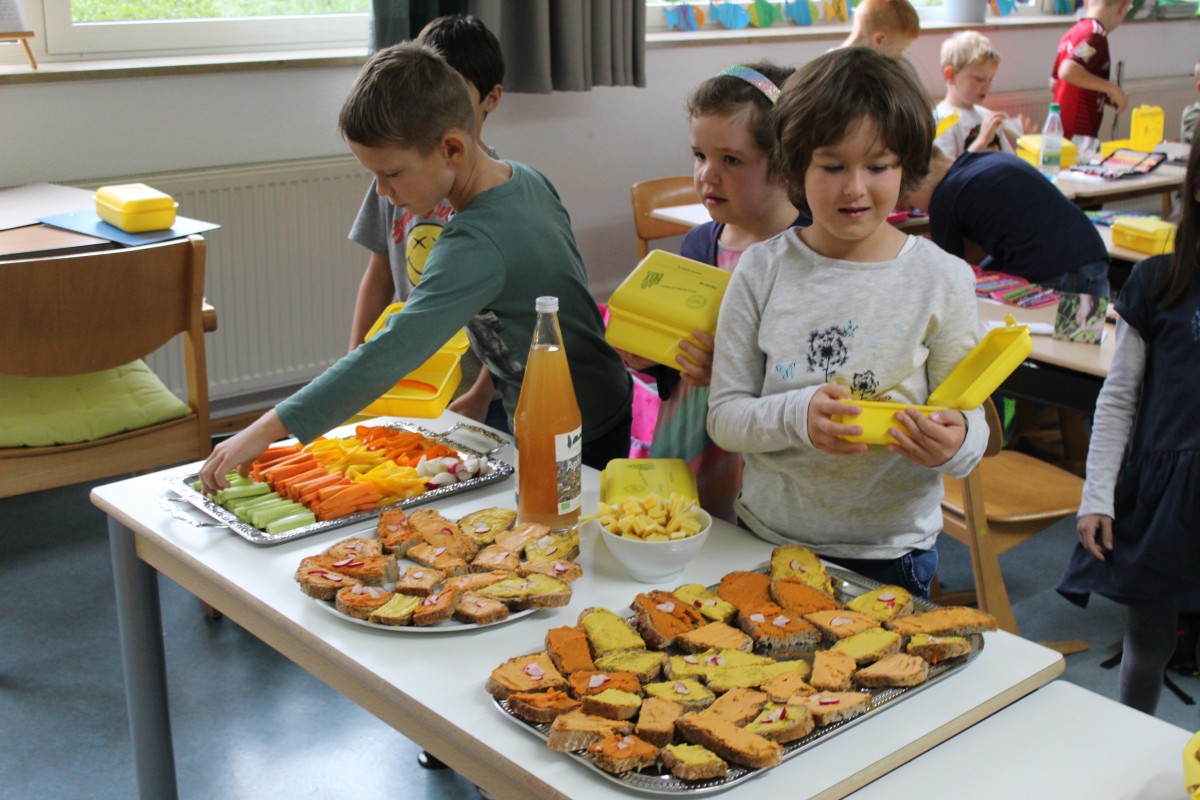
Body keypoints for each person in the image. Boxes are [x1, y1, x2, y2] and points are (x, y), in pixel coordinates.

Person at [199, 42, 633, 495]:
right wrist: (485, 390)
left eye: (392, 173)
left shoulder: (473, 243)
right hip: (596, 397)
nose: (382, 191)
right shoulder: (524, 177)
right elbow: (528, 308)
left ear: (451, 149)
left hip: (575, 424)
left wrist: (266, 428)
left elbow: (392, 349)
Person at [706, 47, 988, 599]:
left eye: (877, 166)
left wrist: (954, 444)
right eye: (832, 166)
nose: (855, 187)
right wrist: (798, 415)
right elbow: (726, 417)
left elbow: (968, 418)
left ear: (904, 165)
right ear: (794, 168)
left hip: (892, 554)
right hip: (769, 542)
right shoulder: (761, 271)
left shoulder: (943, 278)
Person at [618, 63, 809, 523]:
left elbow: (809, 370)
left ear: (784, 162)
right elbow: (674, 352)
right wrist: (648, 356)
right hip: (688, 442)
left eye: (731, 160)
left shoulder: (809, 253)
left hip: (759, 454)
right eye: (700, 155)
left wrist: (727, 369)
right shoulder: (699, 243)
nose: (707, 175)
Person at [1056, 135, 1200, 715]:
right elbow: (1117, 402)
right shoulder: (1158, 284)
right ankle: (1128, 747)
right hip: (1164, 500)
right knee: (1149, 647)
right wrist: (1097, 495)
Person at [346, 14, 507, 427]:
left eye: (455, 87)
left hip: (475, 391)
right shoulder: (393, 182)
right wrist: (353, 367)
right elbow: (379, 273)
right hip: (407, 373)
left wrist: (479, 392)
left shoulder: (499, 195)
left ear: (490, 98)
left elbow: (515, 317)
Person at [900, 146, 1111, 299]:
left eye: (912, 206)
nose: (922, 212)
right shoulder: (980, 159)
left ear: (918, 182)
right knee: (1080, 342)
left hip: (1059, 271)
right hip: (1090, 253)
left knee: (1060, 350)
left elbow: (948, 275)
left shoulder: (944, 197)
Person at [934, 30, 1037, 158]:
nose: (986, 86)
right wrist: (981, 142)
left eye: (990, 79)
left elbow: (1009, 161)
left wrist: (1025, 145)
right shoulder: (942, 120)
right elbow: (948, 175)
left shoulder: (986, 115)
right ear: (951, 75)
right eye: (979, 79)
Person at [1050, 0, 1133, 142]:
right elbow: (1068, 71)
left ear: (1087, 3)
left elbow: (1054, 84)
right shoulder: (1095, 35)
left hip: (1057, 130)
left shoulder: (1071, 34)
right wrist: (1113, 89)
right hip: (1078, 135)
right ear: (1123, 8)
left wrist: (1104, 96)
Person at [839, 0, 920, 57]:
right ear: (880, 40)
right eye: (899, 50)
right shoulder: (858, 70)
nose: (900, 56)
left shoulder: (830, 61)